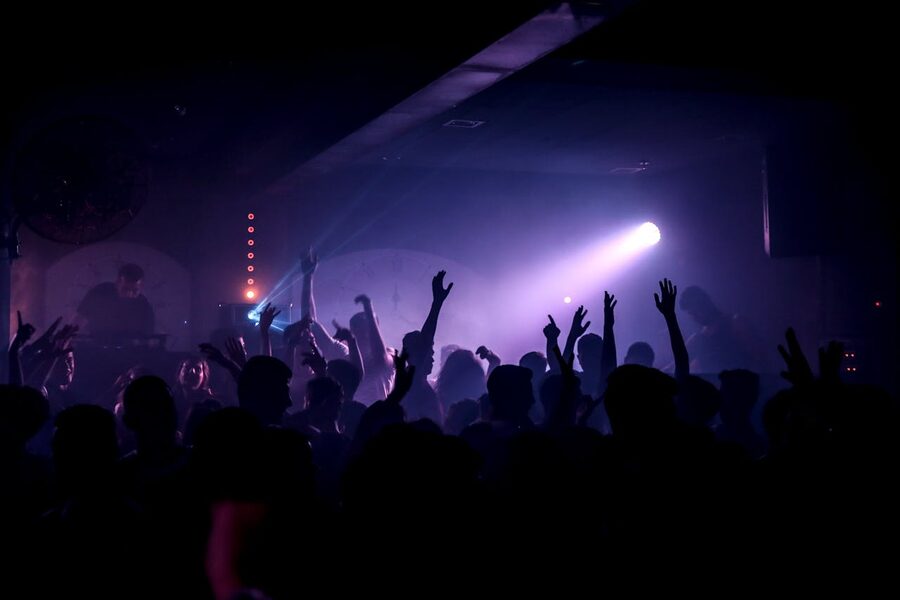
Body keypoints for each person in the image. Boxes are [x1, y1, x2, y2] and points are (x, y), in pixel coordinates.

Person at [76, 263, 155, 342]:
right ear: (117, 283)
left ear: (141, 287)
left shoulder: (144, 305)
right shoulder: (100, 292)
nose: (129, 294)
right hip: (96, 346)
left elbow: (148, 337)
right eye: (125, 289)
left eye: (135, 291)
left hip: (129, 351)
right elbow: (79, 320)